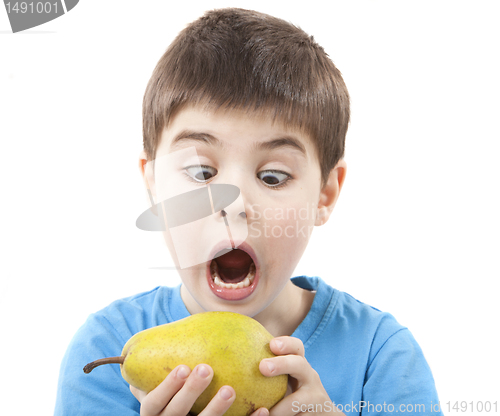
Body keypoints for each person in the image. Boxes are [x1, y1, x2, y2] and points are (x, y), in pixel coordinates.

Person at [54, 8, 442, 416]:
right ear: (153, 185)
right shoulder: (103, 352)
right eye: (202, 172)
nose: (233, 205)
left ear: (324, 195)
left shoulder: (382, 356)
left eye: (273, 177)